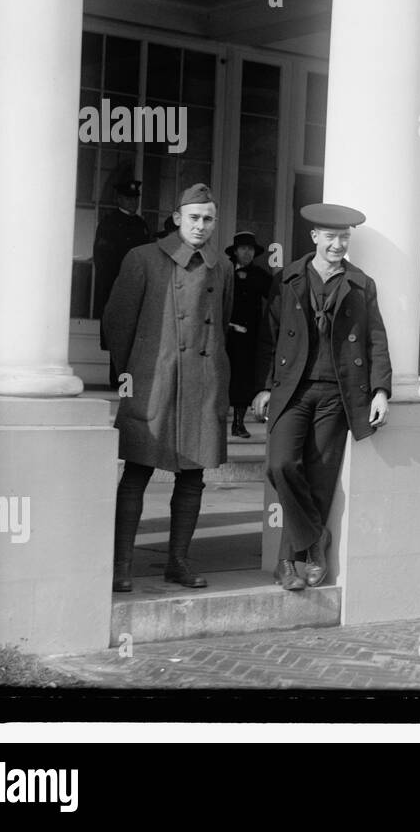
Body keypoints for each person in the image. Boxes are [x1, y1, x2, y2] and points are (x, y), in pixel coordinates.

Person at [252, 204, 391, 591]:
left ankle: (287, 563)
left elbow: (376, 339)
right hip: (291, 390)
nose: (337, 244)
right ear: (315, 237)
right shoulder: (287, 279)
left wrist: (381, 390)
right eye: (330, 237)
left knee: (319, 477)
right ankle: (316, 539)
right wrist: (263, 386)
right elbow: (269, 338)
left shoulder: (362, 284)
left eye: (344, 237)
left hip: (338, 393)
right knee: (280, 465)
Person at [102, 183, 233, 592]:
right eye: (194, 217)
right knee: (137, 472)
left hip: (202, 383)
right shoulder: (143, 258)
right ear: (177, 218)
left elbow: (222, 322)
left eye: (208, 219)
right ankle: (120, 565)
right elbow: (118, 322)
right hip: (153, 379)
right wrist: (132, 374)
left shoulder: (222, 267)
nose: (201, 226)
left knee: (193, 478)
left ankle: (178, 562)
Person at [93, 176, 152, 385]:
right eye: (128, 198)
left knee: (136, 334)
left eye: (135, 198)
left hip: (139, 287)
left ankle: (131, 380)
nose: (133, 202)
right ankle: (117, 380)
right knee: (118, 333)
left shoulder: (141, 225)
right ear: (119, 199)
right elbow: (103, 260)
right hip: (116, 288)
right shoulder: (109, 224)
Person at [226, 231, 272, 439]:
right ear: (235, 251)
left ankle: (238, 423)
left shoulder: (260, 275)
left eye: (251, 249)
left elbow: (277, 297)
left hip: (248, 339)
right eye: (243, 248)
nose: (247, 253)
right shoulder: (223, 271)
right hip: (223, 335)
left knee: (243, 380)